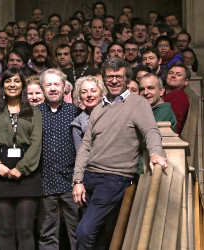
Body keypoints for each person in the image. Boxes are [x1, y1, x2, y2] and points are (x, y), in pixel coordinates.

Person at [73, 58, 167, 249]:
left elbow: (151, 130)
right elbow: (86, 146)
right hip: (90, 178)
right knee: (99, 235)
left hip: (114, 178)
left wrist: (156, 153)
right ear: (104, 79)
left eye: (118, 76)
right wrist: (78, 180)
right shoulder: (99, 107)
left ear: (126, 79)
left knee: (84, 232)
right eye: (110, 77)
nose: (114, 81)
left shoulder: (138, 103)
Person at [0, 68, 43, 249]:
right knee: (5, 230)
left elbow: (36, 144)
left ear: (22, 85)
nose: (12, 85)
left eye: (16, 81)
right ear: (3, 86)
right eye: (8, 81)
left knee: (25, 230)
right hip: (0, 174)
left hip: (27, 175)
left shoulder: (34, 113)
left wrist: (21, 168)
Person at [37, 68, 82, 249]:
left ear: (64, 88)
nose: (53, 88)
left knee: (77, 232)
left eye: (57, 84)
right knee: (47, 233)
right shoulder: (34, 114)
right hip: (44, 182)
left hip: (72, 183)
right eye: (49, 85)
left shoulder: (76, 113)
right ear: (42, 88)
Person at [70, 76, 107, 152]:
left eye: (93, 91)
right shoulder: (78, 124)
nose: (89, 95)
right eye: (84, 92)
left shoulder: (113, 113)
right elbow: (80, 154)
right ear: (80, 97)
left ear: (101, 94)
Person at [163, 62, 190, 135]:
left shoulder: (180, 96)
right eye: (171, 73)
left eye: (179, 74)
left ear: (186, 82)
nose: (173, 76)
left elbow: (175, 126)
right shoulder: (161, 93)